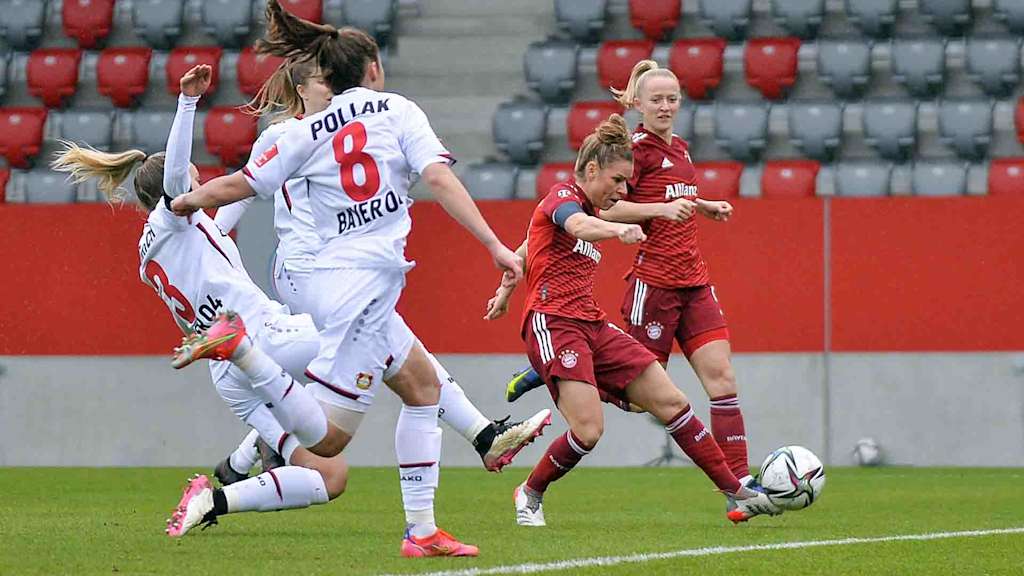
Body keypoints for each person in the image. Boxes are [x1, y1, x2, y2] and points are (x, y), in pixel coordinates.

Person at [168, 0, 524, 556]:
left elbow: (240, 186)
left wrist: (186, 202)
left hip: (335, 280)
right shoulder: (397, 111)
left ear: (328, 78)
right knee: (330, 442)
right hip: (351, 286)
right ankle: (245, 354)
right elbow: (437, 178)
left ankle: (425, 526)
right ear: (373, 69)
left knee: (421, 386)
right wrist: (494, 244)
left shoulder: (302, 133)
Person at [213, 58, 551, 484]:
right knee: (395, 354)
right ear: (301, 90)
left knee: (397, 361)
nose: (329, 88)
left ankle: (245, 458)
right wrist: (205, 245)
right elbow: (240, 197)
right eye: (320, 82)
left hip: (344, 272)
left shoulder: (346, 128)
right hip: (305, 273)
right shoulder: (282, 135)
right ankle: (482, 437)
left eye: (331, 80)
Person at [52, 65, 351, 538]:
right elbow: (177, 177)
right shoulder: (173, 215)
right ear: (177, 190)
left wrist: (258, 176)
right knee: (361, 342)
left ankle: (217, 492)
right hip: (259, 337)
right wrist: (187, 102)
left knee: (329, 477)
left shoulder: (156, 248)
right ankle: (252, 453)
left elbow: (224, 217)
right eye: (195, 180)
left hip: (227, 373)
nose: (200, 186)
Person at [483, 115, 779, 527]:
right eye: (618, 180)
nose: (623, 190)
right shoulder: (563, 197)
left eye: (627, 182)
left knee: (672, 402)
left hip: (592, 324)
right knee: (588, 431)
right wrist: (615, 231)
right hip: (553, 323)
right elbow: (578, 225)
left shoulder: (587, 207)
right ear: (591, 170)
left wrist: (505, 289)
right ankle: (530, 492)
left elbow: (526, 250)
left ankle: (736, 492)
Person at [502, 60, 755, 486]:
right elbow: (604, 208)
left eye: (672, 98)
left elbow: (672, 194)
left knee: (723, 377)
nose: (665, 106)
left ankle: (742, 483)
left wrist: (704, 205)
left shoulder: (681, 148)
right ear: (638, 103)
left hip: (693, 280)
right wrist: (657, 212)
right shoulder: (633, 151)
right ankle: (553, 370)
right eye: (656, 99)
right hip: (654, 284)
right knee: (641, 401)